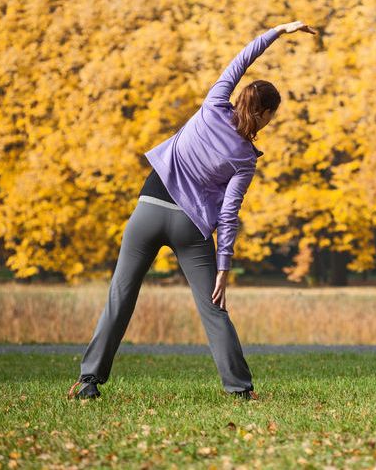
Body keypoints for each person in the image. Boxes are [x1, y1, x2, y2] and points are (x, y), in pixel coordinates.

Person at [68, 21, 317, 400]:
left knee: (120, 294)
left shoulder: (214, 103)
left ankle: (88, 382)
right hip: (191, 225)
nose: (270, 123)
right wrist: (223, 268)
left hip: (149, 208)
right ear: (264, 114)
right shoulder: (246, 158)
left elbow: (242, 59)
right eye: (272, 117)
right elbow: (229, 215)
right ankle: (240, 390)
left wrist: (278, 31)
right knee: (213, 309)